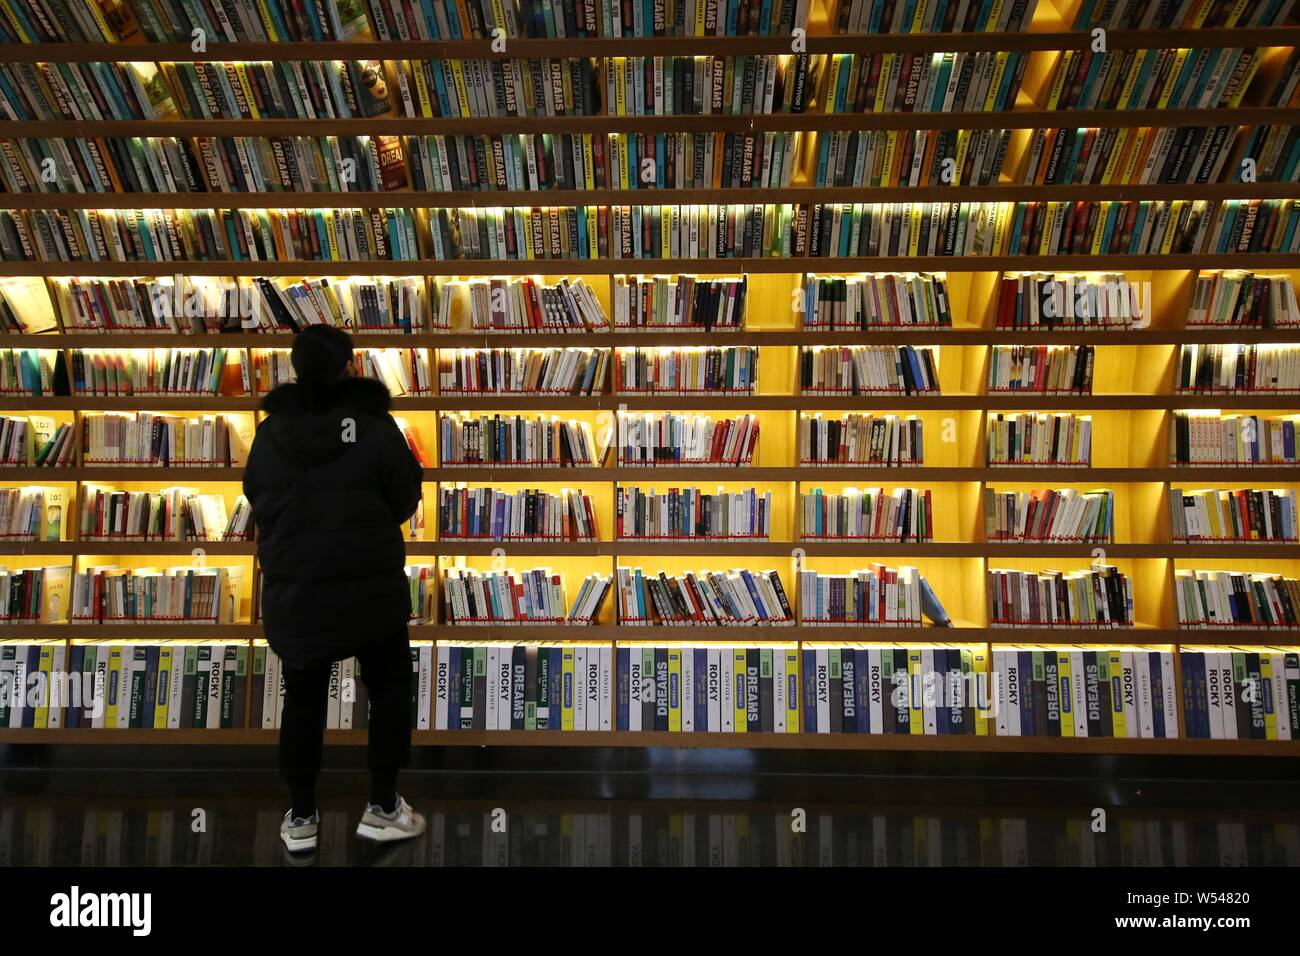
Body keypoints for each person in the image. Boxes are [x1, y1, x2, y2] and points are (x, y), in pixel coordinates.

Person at [243, 324, 426, 853]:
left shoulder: (271, 431)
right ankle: (384, 807)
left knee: (302, 700)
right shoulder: (373, 426)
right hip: (370, 587)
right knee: (389, 689)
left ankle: (301, 817)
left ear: (298, 369)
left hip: (297, 591)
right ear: (348, 366)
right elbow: (404, 495)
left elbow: (258, 496)